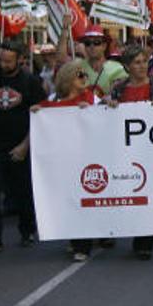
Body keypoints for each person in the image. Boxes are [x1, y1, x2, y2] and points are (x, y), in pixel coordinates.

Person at [0, 41, 46, 255]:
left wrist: (25, 146)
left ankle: (27, 229)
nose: (4, 64)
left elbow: (40, 117)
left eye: (9, 61)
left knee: (23, 192)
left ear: (20, 59)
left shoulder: (30, 82)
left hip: (21, 145)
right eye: (1, 59)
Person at [105, 45, 153, 260]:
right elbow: (108, 114)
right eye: (137, 62)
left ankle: (145, 242)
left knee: (148, 196)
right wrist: (110, 104)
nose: (142, 66)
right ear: (127, 66)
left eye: (144, 61)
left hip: (151, 151)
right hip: (125, 150)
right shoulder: (119, 88)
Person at [30, 60, 96, 260]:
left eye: (85, 74)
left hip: (86, 158)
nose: (84, 78)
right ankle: (74, 238)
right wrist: (37, 112)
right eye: (80, 75)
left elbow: (107, 115)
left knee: (83, 200)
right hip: (63, 161)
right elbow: (44, 112)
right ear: (67, 79)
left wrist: (92, 110)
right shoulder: (53, 100)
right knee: (68, 201)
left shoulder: (91, 98)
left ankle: (82, 246)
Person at [60, 25, 128, 98]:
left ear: (104, 46)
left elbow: (122, 93)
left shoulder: (116, 68)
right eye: (87, 43)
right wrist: (64, 30)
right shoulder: (78, 66)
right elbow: (61, 59)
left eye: (96, 42)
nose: (92, 46)